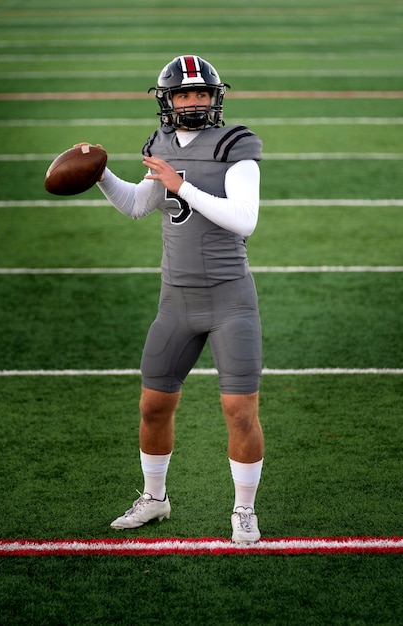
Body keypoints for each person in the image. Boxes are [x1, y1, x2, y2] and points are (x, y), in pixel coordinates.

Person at [96, 54, 264, 543]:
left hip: (230, 298)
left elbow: (244, 220)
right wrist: (102, 175)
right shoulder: (161, 143)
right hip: (176, 299)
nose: (194, 101)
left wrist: (182, 184)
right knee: (153, 404)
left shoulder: (236, 144)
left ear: (216, 97)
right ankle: (155, 498)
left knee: (240, 409)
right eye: (185, 94)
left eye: (202, 93)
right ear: (167, 100)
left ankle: (244, 510)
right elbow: (138, 206)